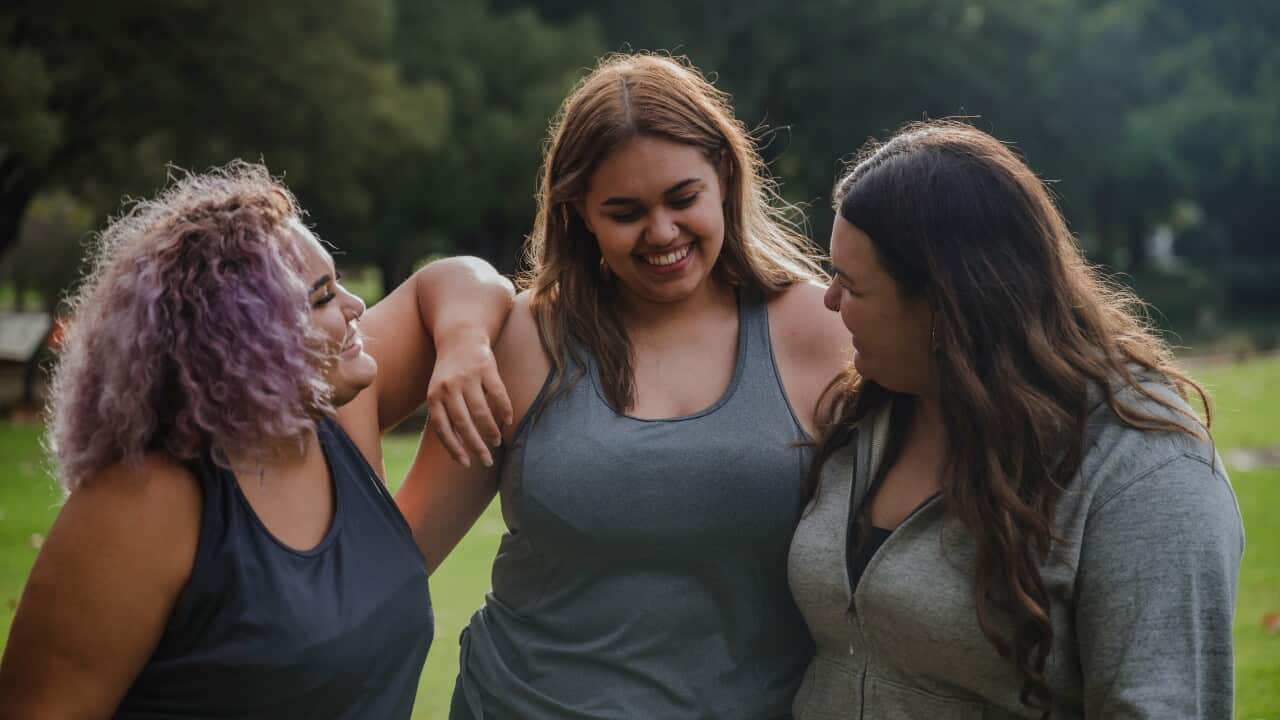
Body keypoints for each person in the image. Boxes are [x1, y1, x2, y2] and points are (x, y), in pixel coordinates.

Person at [393, 53, 851, 718]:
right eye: (625, 210)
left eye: (682, 198)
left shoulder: (822, 330)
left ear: (724, 173)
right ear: (578, 212)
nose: (662, 232)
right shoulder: (525, 340)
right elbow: (402, 559)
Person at [0, 161, 515, 719]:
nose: (355, 306)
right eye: (321, 298)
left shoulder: (334, 415)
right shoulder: (145, 500)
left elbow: (464, 278)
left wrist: (464, 340)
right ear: (240, 341)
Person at [788, 121, 1245, 719]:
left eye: (852, 285)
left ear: (947, 305)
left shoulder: (1147, 472)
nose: (828, 301)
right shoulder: (865, 411)